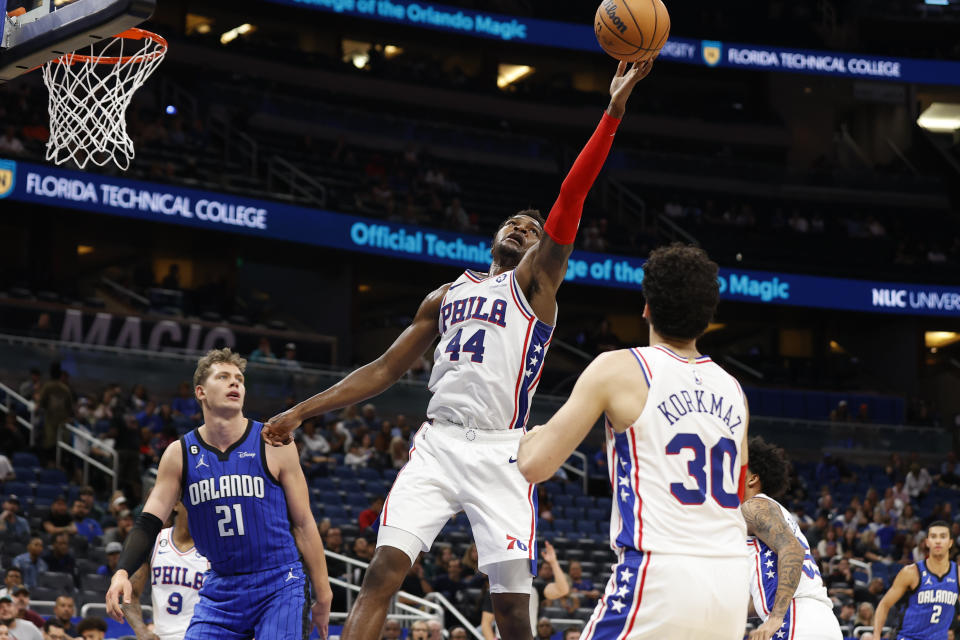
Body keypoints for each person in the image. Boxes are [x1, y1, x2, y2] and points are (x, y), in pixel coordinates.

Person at [263, 60, 653, 640]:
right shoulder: (445, 295)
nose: (522, 227)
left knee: (514, 608)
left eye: (532, 226)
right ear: (491, 235)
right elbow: (383, 369)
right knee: (381, 575)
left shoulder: (535, 284)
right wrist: (302, 410)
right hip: (439, 443)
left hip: (503, 452)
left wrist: (613, 113)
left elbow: (571, 196)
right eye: (513, 222)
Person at [517, 244, 751, 639]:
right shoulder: (734, 390)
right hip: (731, 581)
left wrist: (527, 437)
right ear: (708, 319)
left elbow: (535, 465)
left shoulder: (619, 368)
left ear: (646, 307)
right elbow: (741, 494)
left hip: (660, 573)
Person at [105, 348, 333, 640]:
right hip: (221, 588)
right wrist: (122, 571)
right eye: (223, 377)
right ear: (200, 391)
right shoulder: (179, 454)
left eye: (239, 378)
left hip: (280, 583)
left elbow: (304, 524)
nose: (234, 383)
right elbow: (148, 522)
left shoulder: (274, 442)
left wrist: (323, 595)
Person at [741, 437, 842, 640]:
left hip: (795, 619)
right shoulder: (775, 513)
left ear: (753, 479)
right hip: (818, 620)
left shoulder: (753, 506)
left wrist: (776, 617)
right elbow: (760, 596)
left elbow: (792, 549)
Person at [123, 502, 209, 640]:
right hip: (161, 636)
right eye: (191, 502)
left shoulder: (212, 549)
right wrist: (142, 631)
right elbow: (130, 594)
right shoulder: (154, 542)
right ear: (175, 504)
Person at [872, 520, 958, 640]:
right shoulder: (911, 572)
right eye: (933, 537)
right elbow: (885, 604)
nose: (938, 541)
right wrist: (876, 635)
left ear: (950, 543)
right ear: (927, 542)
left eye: (943, 537)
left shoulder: (957, 574)